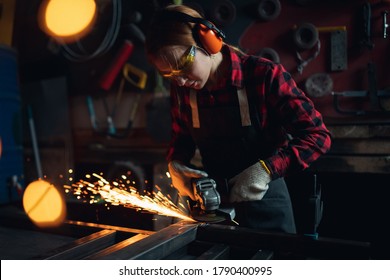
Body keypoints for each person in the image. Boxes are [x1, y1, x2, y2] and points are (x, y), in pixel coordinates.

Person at [145, 4, 331, 234]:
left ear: (207, 41)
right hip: (214, 210)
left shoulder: (264, 76)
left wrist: (266, 171)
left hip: (267, 208)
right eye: (169, 75)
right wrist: (177, 166)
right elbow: (182, 139)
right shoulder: (183, 91)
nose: (180, 81)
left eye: (182, 67)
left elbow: (317, 136)